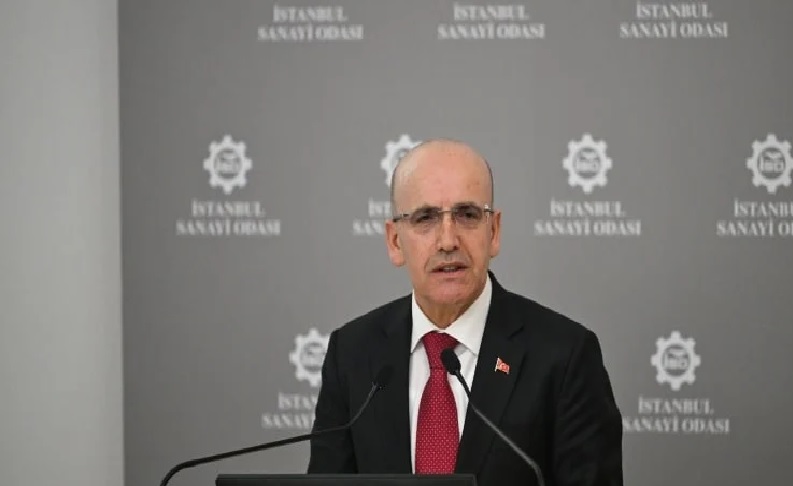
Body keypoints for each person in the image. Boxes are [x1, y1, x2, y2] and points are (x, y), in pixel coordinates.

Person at [307, 139, 623, 486]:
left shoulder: (565, 356)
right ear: (395, 241)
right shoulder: (352, 353)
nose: (448, 241)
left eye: (467, 215)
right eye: (425, 218)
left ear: (494, 231)